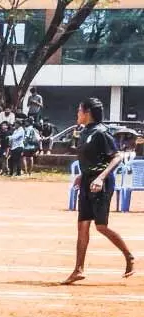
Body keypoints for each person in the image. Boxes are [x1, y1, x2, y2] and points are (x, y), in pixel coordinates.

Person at [63, 97, 135, 285]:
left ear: (88, 112)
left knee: (101, 226)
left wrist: (100, 177)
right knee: (82, 225)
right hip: (88, 181)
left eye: (79, 110)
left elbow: (117, 156)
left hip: (100, 184)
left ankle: (129, 256)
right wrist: (83, 174)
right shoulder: (86, 131)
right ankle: (78, 269)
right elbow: (91, 158)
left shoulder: (102, 132)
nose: (77, 114)